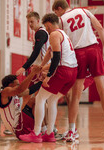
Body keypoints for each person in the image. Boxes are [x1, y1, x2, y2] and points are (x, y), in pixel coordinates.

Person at [52, 0, 104, 143]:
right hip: (94, 50)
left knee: (75, 95)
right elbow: (100, 28)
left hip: (78, 53)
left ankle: (71, 131)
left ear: (59, 9)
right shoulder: (84, 11)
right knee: (103, 91)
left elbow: (63, 43)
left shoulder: (61, 20)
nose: (56, 14)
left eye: (55, 12)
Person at [19, 13, 78, 143]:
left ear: (49, 24)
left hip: (64, 71)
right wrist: (41, 66)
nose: (46, 29)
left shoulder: (54, 34)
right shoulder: (63, 35)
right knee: (52, 100)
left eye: (46, 27)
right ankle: (50, 133)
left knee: (40, 98)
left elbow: (56, 58)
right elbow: (50, 53)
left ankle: (36, 133)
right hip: (73, 73)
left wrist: (49, 75)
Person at [0, 65, 42, 139]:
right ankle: (42, 130)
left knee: (39, 100)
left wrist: (43, 81)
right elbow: (20, 89)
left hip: (21, 124)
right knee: (34, 100)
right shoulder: (5, 92)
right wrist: (32, 73)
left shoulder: (14, 93)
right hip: (18, 128)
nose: (19, 85)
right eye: (17, 84)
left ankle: (41, 130)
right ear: (10, 85)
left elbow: (29, 90)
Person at [16, 11, 50, 79]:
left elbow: (36, 51)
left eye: (32, 22)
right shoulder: (40, 32)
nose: (30, 24)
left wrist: (24, 67)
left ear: (38, 21)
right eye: (28, 22)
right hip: (42, 66)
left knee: (31, 88)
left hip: (45, 67)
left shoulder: (40, 33)